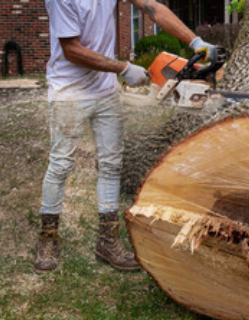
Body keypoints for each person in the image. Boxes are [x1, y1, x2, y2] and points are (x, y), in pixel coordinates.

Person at [34, 0, 217, 273]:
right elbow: (71, 49)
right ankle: (48, 237)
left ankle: (107, 241)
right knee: (61, 164)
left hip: (105, 91)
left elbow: (151, 7)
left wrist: (195, 42)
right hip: (68, 91)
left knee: (111, 164)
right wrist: (123, 68)